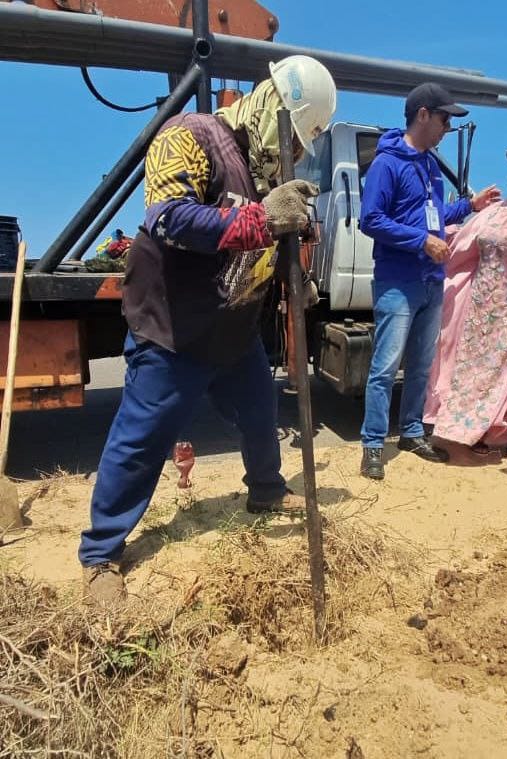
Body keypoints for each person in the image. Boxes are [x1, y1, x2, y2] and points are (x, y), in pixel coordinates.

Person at [79, 55, 337, 605]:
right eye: (292, 138)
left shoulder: (265, 173)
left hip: (233, 329)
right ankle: (101, 552)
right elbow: (167, 218)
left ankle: (266, 491)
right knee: (142, 439)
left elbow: (269, 241)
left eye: (300, 146)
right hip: (173, 327)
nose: (292, 153)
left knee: (261, 415)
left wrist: (294, 275)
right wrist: (262, 219)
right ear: (270, 107)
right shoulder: (190, 136)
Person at [359, 82, 500, 480]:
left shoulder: (429, 165)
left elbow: (434, 215)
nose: (447, 128)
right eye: (444, 119)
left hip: (431, 281)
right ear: (423, 115)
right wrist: (421, 241)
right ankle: (372, 443)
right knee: (385, 367)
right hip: (398, 281)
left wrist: (469, 205)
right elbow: (371, 219)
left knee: (421, 365)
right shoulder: (387, 164)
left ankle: (411, 432)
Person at [424, 138, 507, 457]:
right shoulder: (495, 210)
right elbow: (463, 242)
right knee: (475, 371)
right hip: (480, 308)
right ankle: (477, 429)